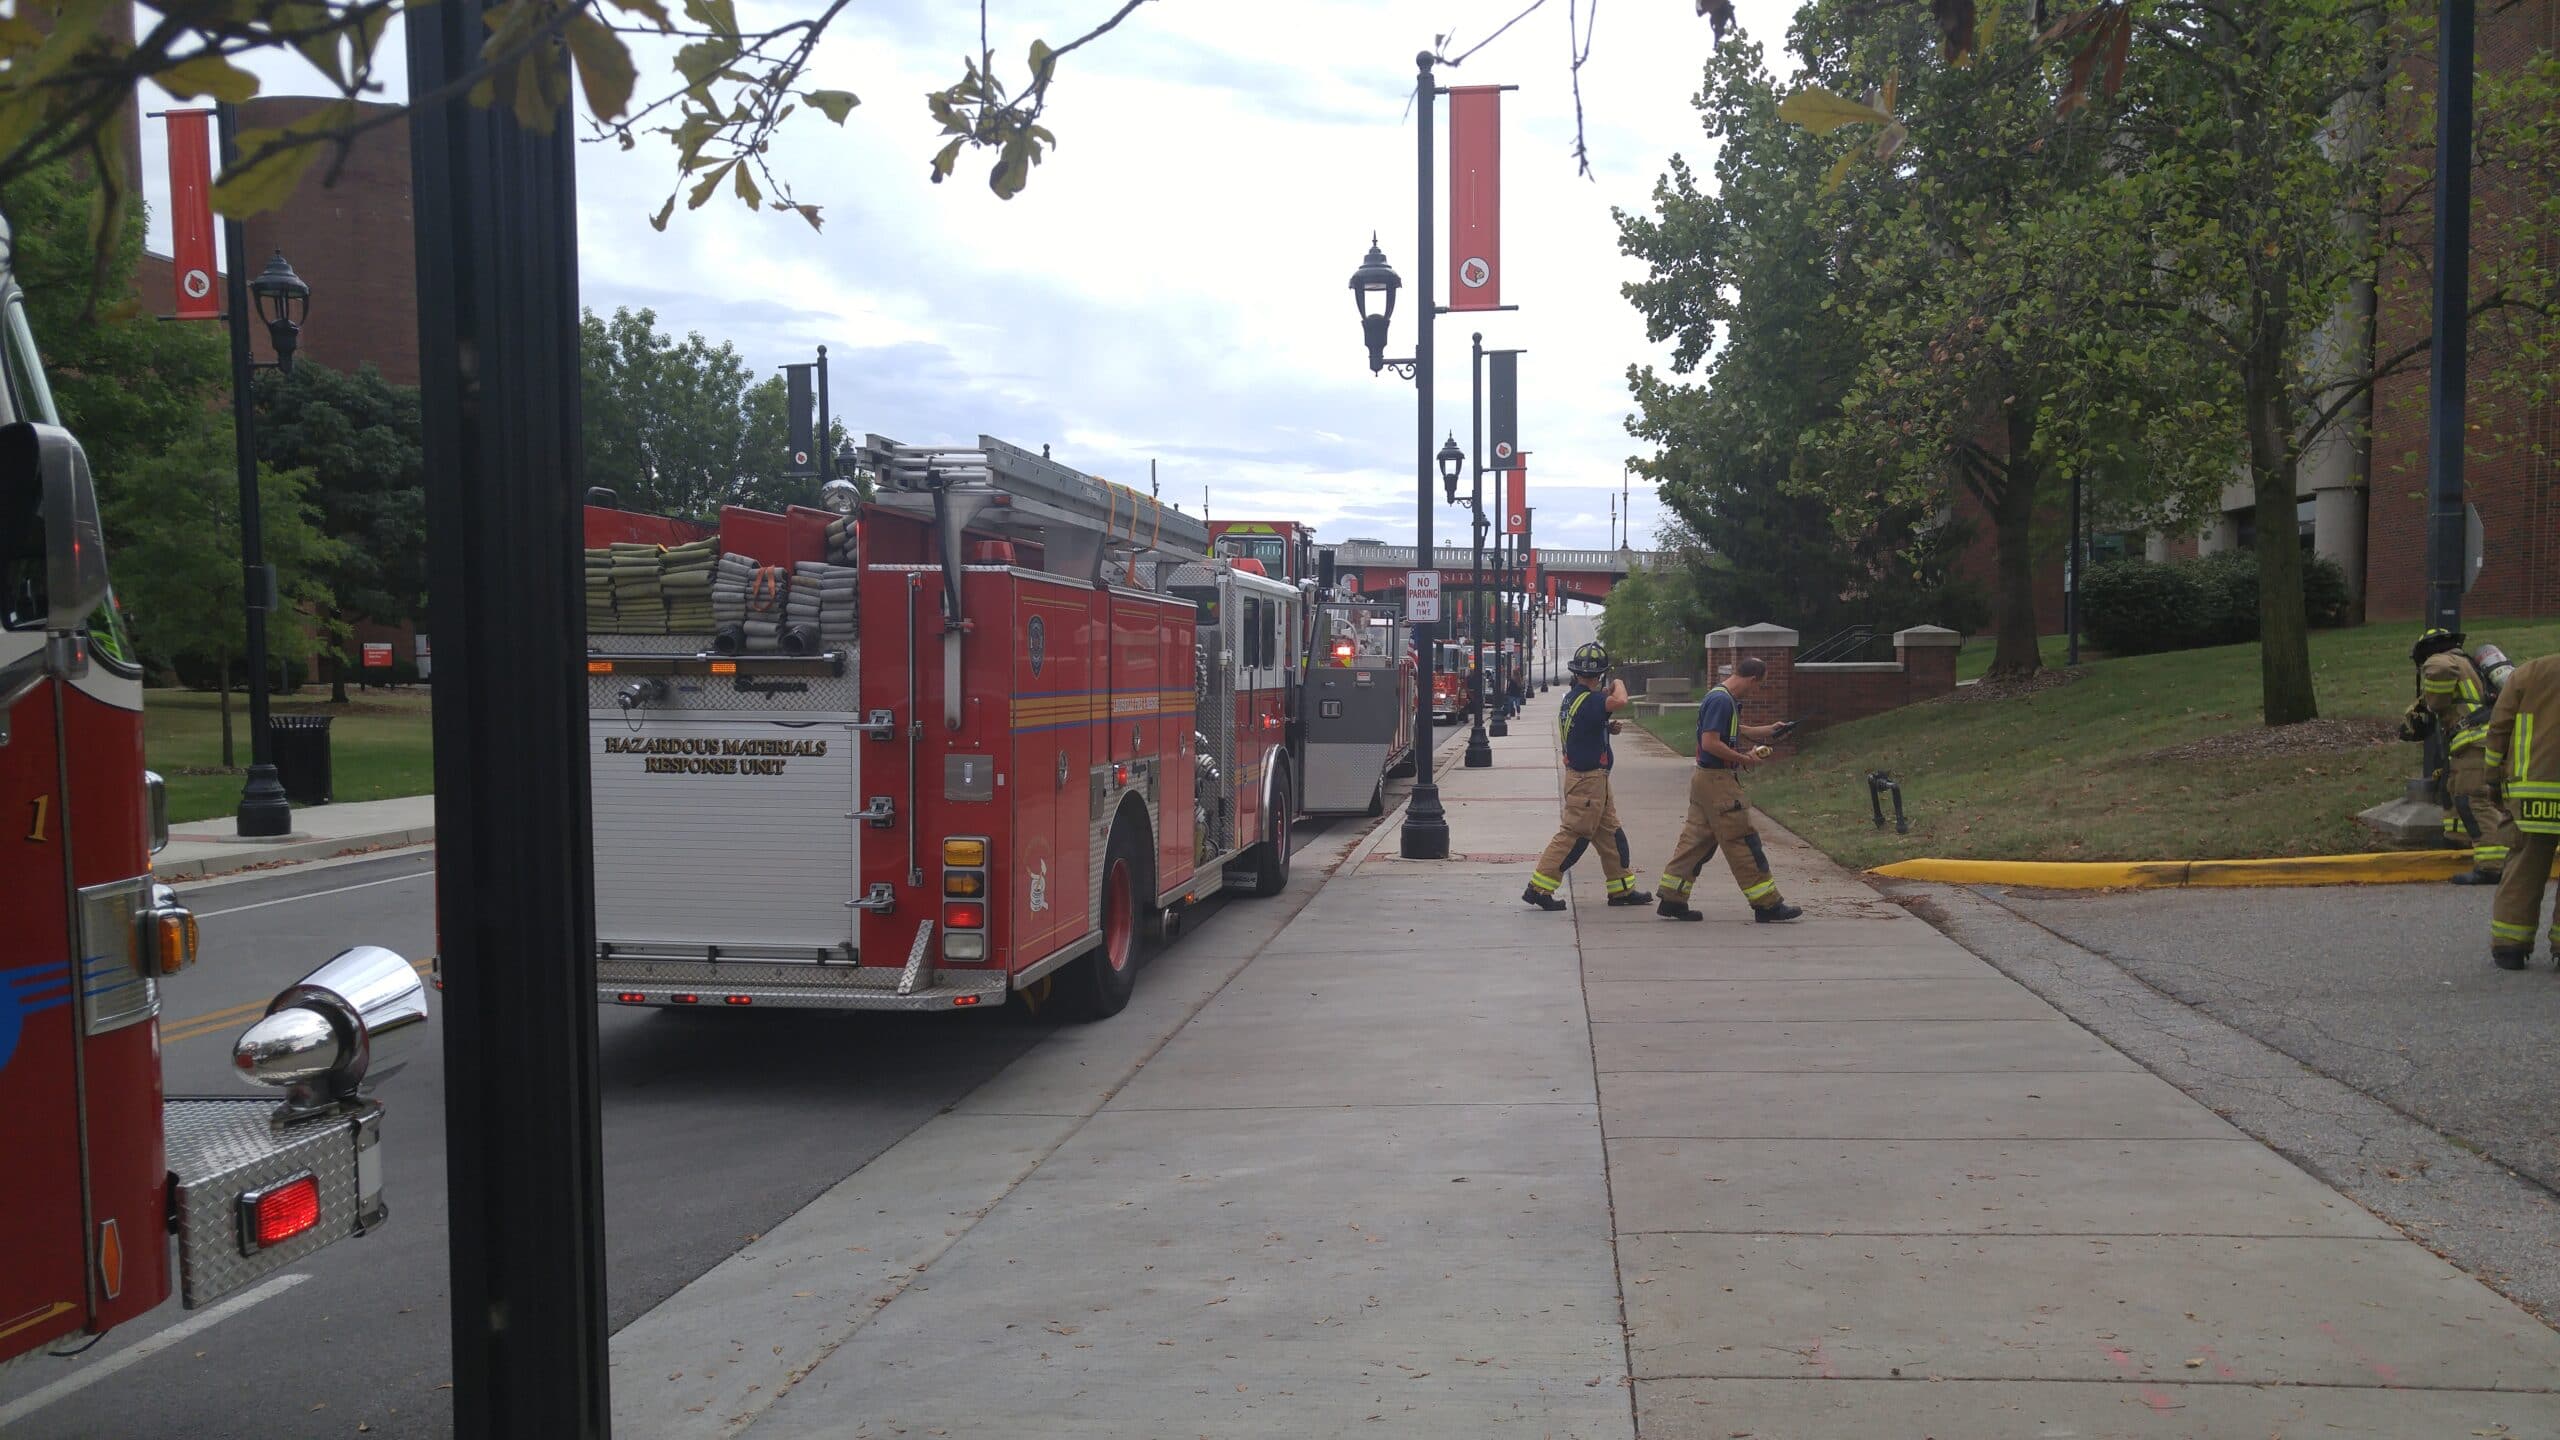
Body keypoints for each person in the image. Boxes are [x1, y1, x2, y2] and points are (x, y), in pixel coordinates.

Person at [1654, 656, 1802, 923]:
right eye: (1758, 685)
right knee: (1743, 841)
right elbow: (1710, 742)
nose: (1755, 690)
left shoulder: (1721, 697)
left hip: (1705, 781)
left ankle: (1672, 898)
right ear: (1752, 678)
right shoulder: (1723, 701)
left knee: (1695, 841)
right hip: (1718, 783)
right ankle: (1767, 905)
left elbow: (1732, 729)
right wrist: (1746, 759)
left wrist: (1768, 730)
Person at [1524, 642, 1651, 911]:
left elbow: (1586, 726)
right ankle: (1539, 888)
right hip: (1588, 781)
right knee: (1574, 836)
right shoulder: (1593, 700)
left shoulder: (1573, 699)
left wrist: (1607, 728)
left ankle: (1622, 889)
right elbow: (1620, 701)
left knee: (1611, 834)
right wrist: (1618, 680)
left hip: (1593, 780)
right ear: (1599, 675)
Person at [2407, 628, 2513, 884]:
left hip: (2474, 742)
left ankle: (2492, 866)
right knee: (2454, 790)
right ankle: (2456, 839)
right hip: (2479, 741)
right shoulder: (2465, 663)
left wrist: (2433, 704)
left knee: (2474, 800)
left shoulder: (2440, 660)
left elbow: (2439, 675)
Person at [2484, 652, 2560, 971]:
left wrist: (2491, 780)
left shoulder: (2529, 673)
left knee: (2523, 868)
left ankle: (2509, 947)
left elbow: (2498, 729)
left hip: (2531, 793)